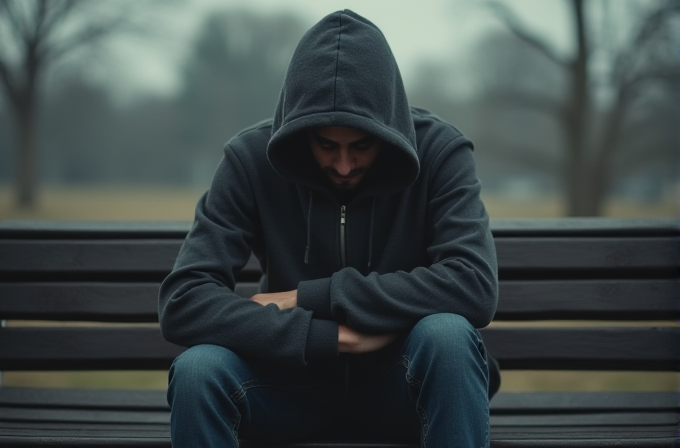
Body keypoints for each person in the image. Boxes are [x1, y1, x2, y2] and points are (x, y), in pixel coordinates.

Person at [159, 9, 499, 448]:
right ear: (302, 133)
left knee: (449, 337)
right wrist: (325, 338)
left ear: (388, 129)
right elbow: (184, 300)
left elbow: (472, 284)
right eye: (326, 145)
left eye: (361, 146)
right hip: (286, 389)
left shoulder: (440, 152)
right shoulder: (250, 159)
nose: (342, 165)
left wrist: (310, 297)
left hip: (402, 388)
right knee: (198, 370)